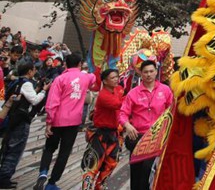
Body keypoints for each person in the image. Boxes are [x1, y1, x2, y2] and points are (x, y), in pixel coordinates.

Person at [35, 53, 97, 190]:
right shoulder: (85, 78)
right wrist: (85, 71)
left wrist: (49, 123)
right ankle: (52, 183)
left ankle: (43, 172)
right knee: (64, 152)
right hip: (74, 122)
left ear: (65, 64)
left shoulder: (59, 79)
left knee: (49, 148)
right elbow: (93, 77)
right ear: (80, 64)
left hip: (57, 120)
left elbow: (52, 102)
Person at [119, 60, 173, 190]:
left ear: (156, 72)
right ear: (141, 74)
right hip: (137, 138)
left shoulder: (165, 90)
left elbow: (172, 111)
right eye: (145, 72)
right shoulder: (133, 93)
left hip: (157, 137)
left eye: (151, 71)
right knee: (136, 172)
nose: (148, 74)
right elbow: (122, 113)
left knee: (149, 171)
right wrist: (127, 125)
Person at [0, 62, 50, 188]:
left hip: (12, 118)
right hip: (20, 120)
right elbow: (34, 100)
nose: (34, 72)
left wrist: (38, 89)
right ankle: (4, 179)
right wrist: (44, 91)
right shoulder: (27, 83)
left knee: (8, 148)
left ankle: (4, 177)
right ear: (29, 71)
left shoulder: (17, 82)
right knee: (15, 150)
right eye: (33, 70)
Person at [81, 69, 125, 190]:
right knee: (93, 164)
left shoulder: (116, 91)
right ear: (105, 81)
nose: (116, 79)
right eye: (112, 78)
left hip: (113, 134)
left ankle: (100, 186)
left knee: (110, 164)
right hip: (100, 135)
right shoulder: (104, 95)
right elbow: (118, 104)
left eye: (117, 77)